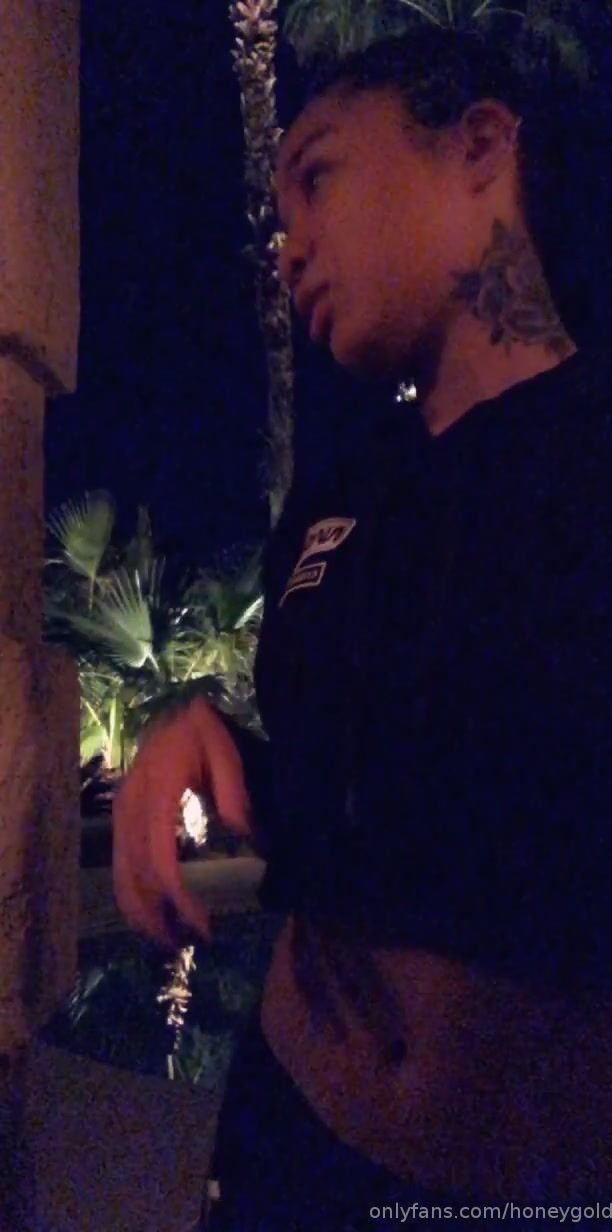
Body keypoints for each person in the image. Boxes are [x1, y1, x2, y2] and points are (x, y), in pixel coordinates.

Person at [113, 24, 612, 1231]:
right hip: (289, 1140)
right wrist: (201, 736)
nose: (286, 244)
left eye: (320, 174)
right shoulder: (338, 502)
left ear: (480, 147)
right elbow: (358, 797)